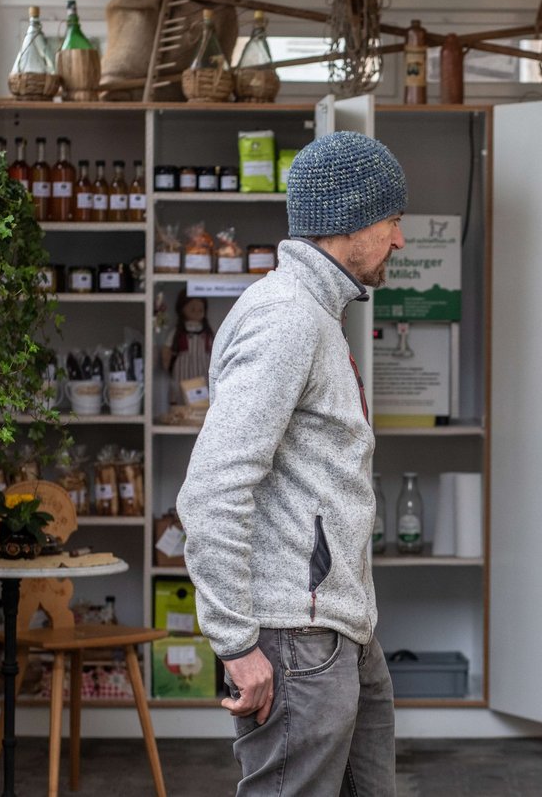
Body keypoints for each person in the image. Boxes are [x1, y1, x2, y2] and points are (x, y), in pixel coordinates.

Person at [177, 131, 407, 796]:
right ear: (352, 222)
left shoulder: (314, 313)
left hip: (342, 629)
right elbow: (213, 490)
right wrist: (236, 643)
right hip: (293, 636)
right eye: (392, 221)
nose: (398, 240)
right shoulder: (286, 320)